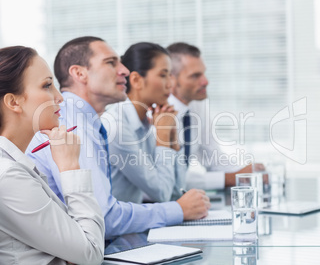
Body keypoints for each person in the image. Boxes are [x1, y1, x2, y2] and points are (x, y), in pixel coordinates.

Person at [26, 36, 211, 239]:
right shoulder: (71, 125)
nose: (124, 71)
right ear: (79, 73)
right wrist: (176, 210)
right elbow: (104, 216)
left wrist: (169, 142)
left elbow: (173, 191)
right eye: (111, 62)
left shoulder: (88, 122)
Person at [0, 46, 105, 264]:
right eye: (47, 85)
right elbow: (91, 253)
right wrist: (70, 167)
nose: (60, 97)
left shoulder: (8, 163)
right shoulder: (6, 176)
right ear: (14, 102)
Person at [103, 42, 185, 203]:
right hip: (117, 227)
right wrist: (162, 136)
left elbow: (178, 192)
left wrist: (172, 138)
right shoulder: (117, 127)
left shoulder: (145, 122)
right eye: (163, 75)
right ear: (136, 80)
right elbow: (162, 194)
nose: (170, 84)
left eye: (170, 75)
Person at [167, 42, 255, 190]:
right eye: (195, 76)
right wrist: (229, 178)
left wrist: (245, 172)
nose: (205, 81)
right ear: (171, 80)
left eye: (203, 73)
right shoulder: (158, 114)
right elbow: (170, 179)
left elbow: (213, 158)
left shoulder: (196, 105)